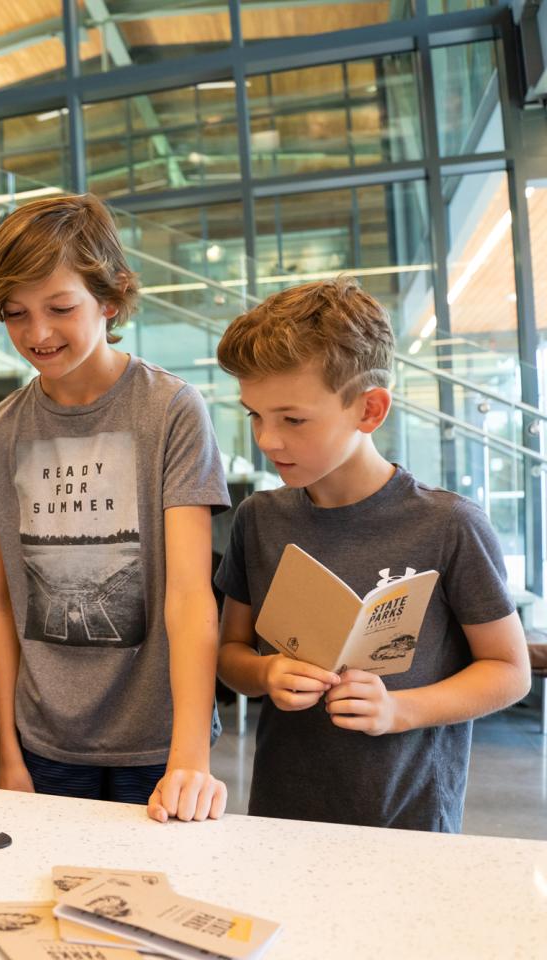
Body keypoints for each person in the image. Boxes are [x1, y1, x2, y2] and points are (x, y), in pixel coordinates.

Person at [213, 278, 530, 832]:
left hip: (408, 819)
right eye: (254, 416)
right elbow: (230, 654)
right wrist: (267, 673)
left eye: (292, 419)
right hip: (281, 814)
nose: (266, 440)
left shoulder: (448, 523)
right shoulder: (259, 519)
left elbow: (509, 671)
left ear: (370, 410)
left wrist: (397, 711)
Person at [0, 194, 229, 822]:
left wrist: (190, 756)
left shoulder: (170, 411)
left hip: (160, 740)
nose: (37, 334)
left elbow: (191, 594)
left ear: (109, 300)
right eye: (15, 313)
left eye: (60, 308)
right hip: (45, 738)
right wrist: (8, 752)